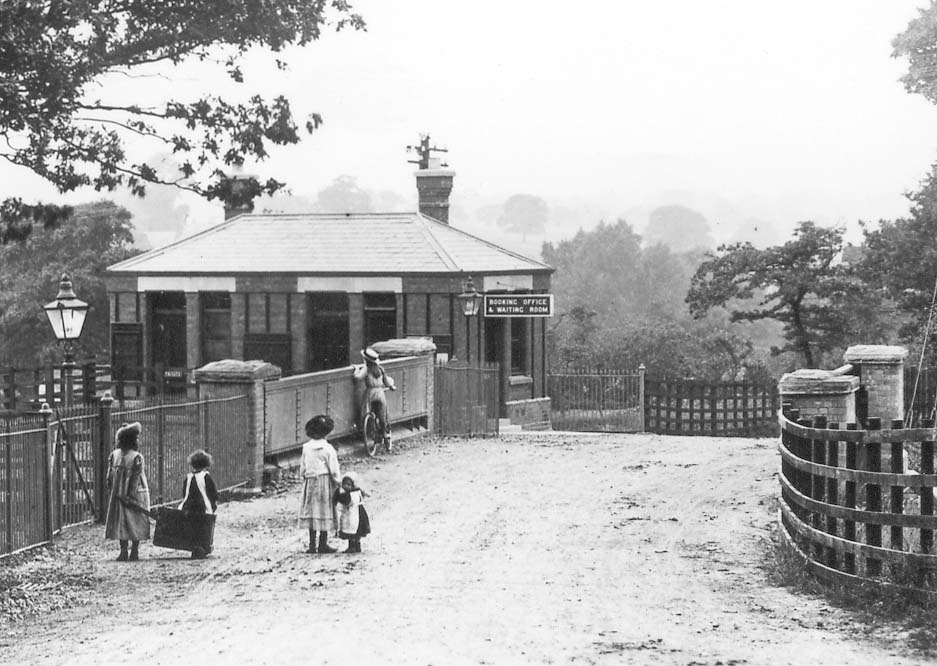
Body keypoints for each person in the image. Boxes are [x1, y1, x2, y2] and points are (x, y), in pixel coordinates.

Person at [104, 422, 151, 562]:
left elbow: (109, 476)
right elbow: (136, 477)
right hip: (135, 494)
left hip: (118, 494)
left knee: (121, 521)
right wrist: (131, 495)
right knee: (136, 520)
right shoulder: (137, 457)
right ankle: (135, 550)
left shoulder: (114, 455)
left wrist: (112, 490)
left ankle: (123, 550)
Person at [298, 414, 341, 554]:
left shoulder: (306, 447)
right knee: (324, 511)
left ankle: (312, 545)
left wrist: (304, 477)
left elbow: (303, 467)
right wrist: (338, 482)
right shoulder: (328, 449)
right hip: (325, 482)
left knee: (312, 511)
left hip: (310, 482)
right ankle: (323, 544)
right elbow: (334, 469)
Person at [353, 347, 397, 450]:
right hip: (380, 393)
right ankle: (385, 434)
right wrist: (391, 387)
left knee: (366, 411)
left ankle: (370, 430)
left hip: (370, 393)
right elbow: (387, 382)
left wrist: (356, 369)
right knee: (382, 413)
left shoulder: (366, 369)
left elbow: (357, 378)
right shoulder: (380, 369)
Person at [178, 449, 218, 559]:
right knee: (203, 527)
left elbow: (184, 493)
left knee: (191, 526)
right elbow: (212, 493)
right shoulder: (206, 477)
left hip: (189, 506)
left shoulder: (188, 477)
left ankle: (193, 545)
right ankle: (203, 545)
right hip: (202, 507)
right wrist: (213, 503)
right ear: (206, 464)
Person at [333, 472, 371, 554]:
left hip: (356, 516)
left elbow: (345, 501)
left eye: (348, 484)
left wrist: (339, 495)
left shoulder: (352, 494)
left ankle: (353, 547)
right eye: (344, 484)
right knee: (353, 532)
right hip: (351, 515)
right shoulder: (350, 493)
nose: (346, 486)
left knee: (353, 532)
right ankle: (355, 546)